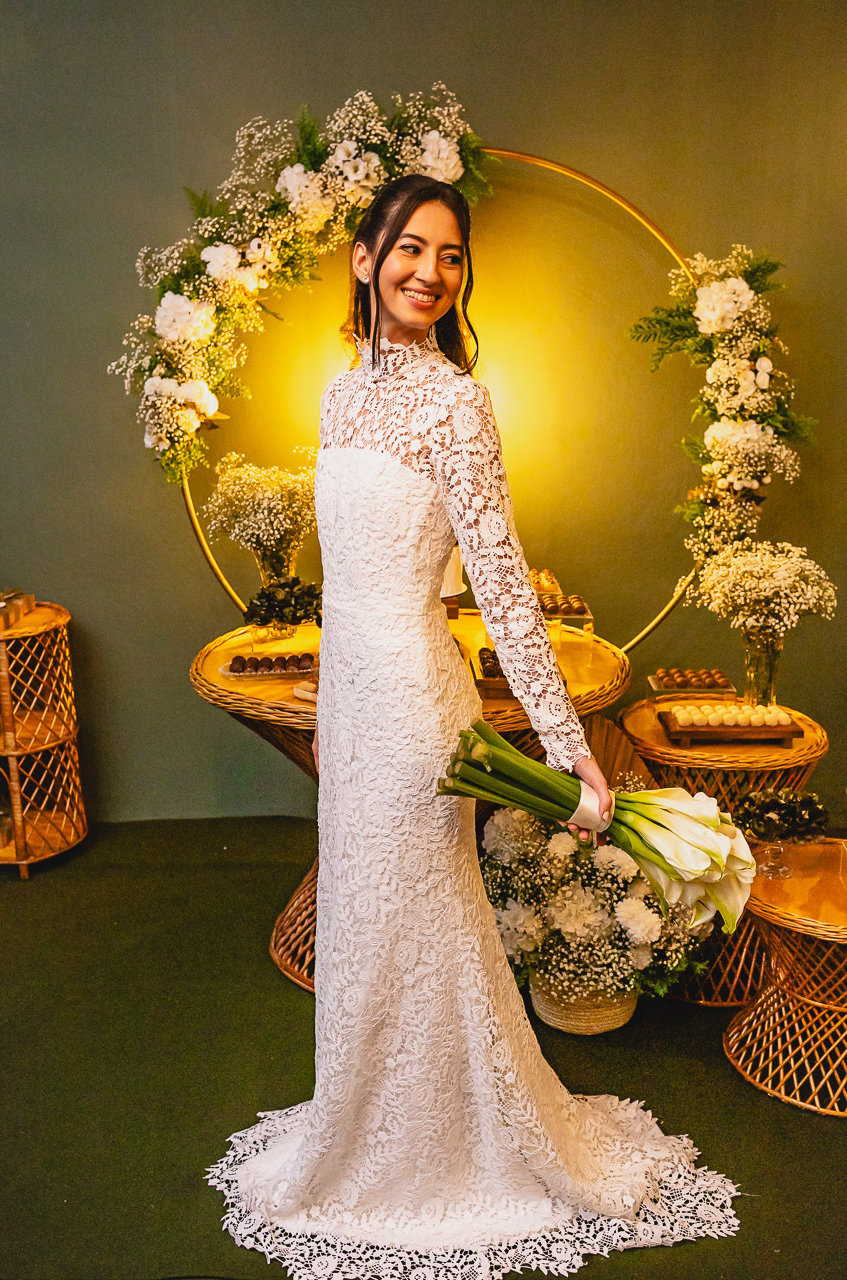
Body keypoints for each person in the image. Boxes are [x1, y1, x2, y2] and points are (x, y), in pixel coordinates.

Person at [208, 174, 739, 1277]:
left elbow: (498, 584)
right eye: (410, 247)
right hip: (352, 696)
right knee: (360, 917)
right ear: (363, 257)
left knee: (416, 917)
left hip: (413, 706)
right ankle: (366, 1133)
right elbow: (343, 571)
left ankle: (443, 1154)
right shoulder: (336, 389)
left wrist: (568, 747)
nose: (428, 272)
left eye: (450, 256)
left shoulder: (458, 401)